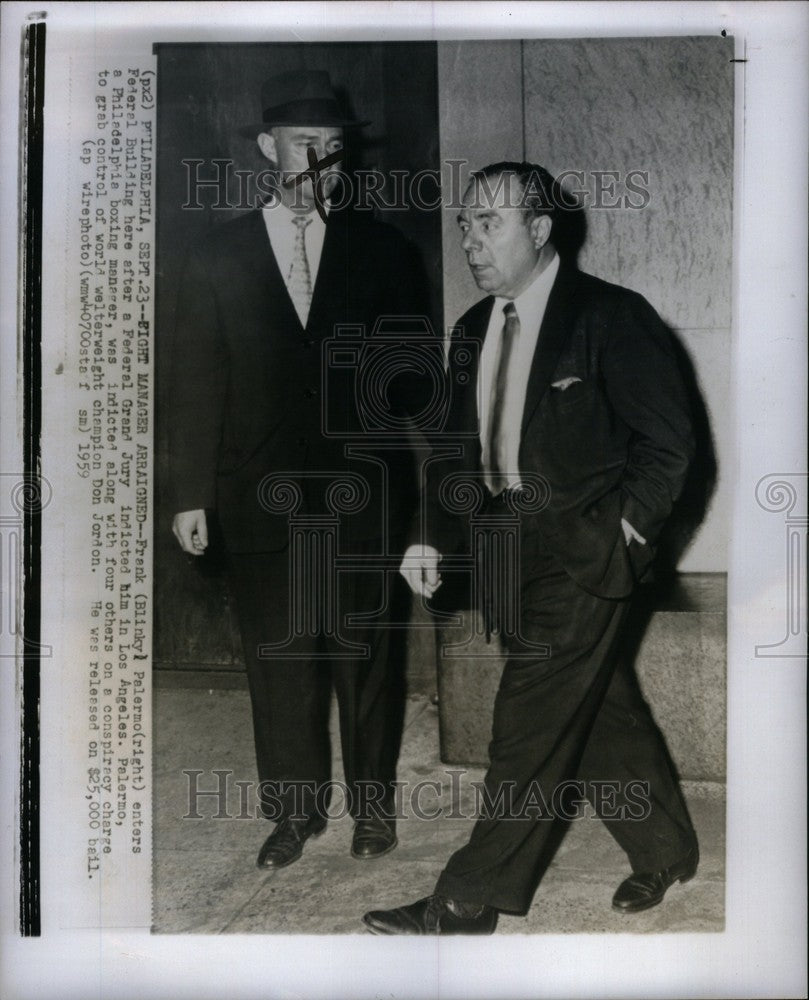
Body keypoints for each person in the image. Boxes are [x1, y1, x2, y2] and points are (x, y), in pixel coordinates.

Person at [363, 161, 699, 935]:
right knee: (599, 708)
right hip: (503, 546)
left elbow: (670, 444)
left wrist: (625, 529)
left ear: (539, 230)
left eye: (490, 224)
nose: (471, 242)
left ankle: (468, 897)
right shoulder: (473, 328)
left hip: (585, 550)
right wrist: (430, 538)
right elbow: (454, 452)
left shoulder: (610, 316)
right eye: (464, 226)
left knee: (525, 725)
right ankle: (665, 848)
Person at [170, 70, 428, 870]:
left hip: (362, 495)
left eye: (334, 147)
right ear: (266, 148)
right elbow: (195, 380)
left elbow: (412, 387)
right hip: (256, 495)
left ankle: (373, 812)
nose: (320, 159)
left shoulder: (383, 251)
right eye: (303, 144)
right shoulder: (215, 256)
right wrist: (191, 495)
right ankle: (294, 814)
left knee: (365, 657)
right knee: (279, 660)